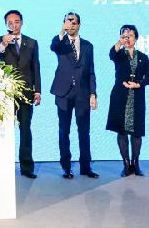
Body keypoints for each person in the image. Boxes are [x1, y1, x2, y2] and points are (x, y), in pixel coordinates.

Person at [0, 10, 42, 179]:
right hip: (6, 92)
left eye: (16, 21)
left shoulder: (31, 42)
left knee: (25, 129)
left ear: (22, 22)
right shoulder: (0, 40)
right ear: (6, 24)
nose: (14, 25)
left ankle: (26, 168)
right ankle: (2, 166)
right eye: (10, 23)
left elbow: (36, 67)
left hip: (26, 92)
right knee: (4, 129)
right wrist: (4, 44)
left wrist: (37, 90)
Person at [50, 12, 98, 179]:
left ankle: (86, 167)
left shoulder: (88, 45)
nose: (70, 25)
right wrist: (62, 31)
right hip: (63, 93)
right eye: (67, 22)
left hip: (82, 94)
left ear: (79, 25)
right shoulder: (60, 42)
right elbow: (54, 47)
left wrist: (93, 93)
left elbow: (91, 71)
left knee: (84, 132)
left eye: (73, 22)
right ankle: (66, 167)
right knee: (64, 131)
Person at [106, 25, 149, 177]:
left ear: (136, 38)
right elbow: (111, 54)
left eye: (130, 35)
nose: (127, 38)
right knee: (121, 131)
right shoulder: (119, 54)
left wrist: (138, 84)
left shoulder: (143, 57)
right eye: (124, 35)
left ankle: (135, 163)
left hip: (137, 96)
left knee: (136, 132)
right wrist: (119, 43)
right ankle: (126, 164)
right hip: (120, 96)